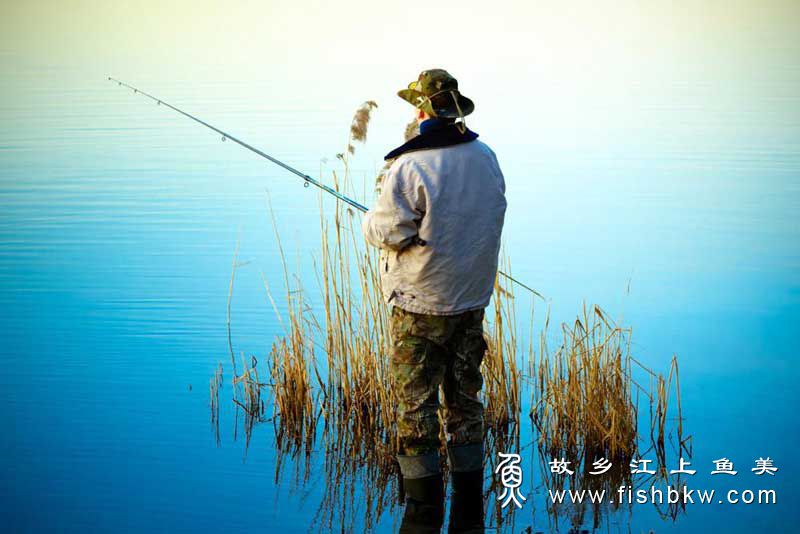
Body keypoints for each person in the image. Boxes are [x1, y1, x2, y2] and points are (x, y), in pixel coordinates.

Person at [362, 69, 507, 533]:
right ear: (455, 110)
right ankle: (469, 499)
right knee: (465, 396)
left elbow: (389, 231)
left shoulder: (410, 166)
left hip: (419, 303)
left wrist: (369, 222)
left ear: (423, 111)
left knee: (416, 402)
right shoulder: (485, 157)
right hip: (470, 300)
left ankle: (422, 509)